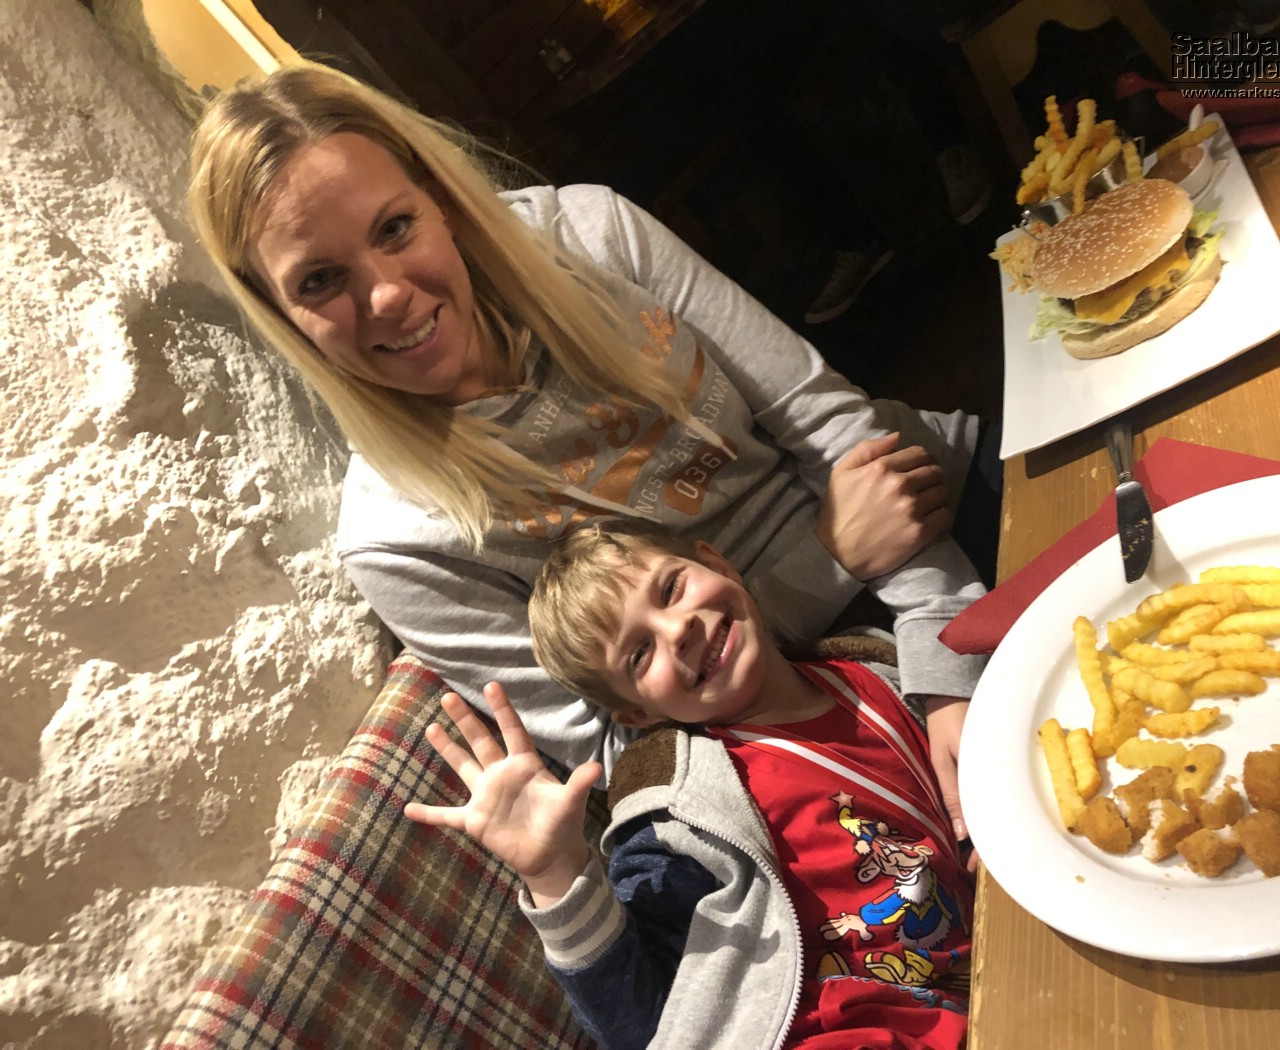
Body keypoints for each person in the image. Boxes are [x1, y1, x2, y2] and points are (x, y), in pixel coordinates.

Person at [186, 60, 990, 824]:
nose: (388, 295)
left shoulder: (588, 231)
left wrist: (945, 651)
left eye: (395, 227)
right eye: (320, 280)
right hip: (770, 718)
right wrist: (829, 559)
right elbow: (622, 749)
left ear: (440, 199)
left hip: (928, 539)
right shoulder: (395, 539)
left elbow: (827, 422)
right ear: (281, 313)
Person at [406, 520, 975, 1050]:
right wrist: (553, 872)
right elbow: (644, 1024)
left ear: (717, 564)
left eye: (672, 588)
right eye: (638, 654)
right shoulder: (678, 827)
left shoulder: (876, 668)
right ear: (638, 714)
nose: (677, 629)